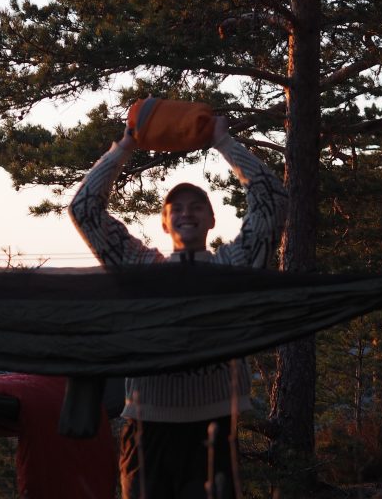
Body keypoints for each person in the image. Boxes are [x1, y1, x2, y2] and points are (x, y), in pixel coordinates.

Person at [69, 115, 288, 499]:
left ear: (212, 219)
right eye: (177, 207)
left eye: (197, 206)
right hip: (147, 430)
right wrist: (125, 146)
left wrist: (224, 143)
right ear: (165, 224)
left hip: (216, 430)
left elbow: (272, 200)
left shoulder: (234, 267)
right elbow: (84, 210)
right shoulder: (140, 269)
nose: (187, 212)